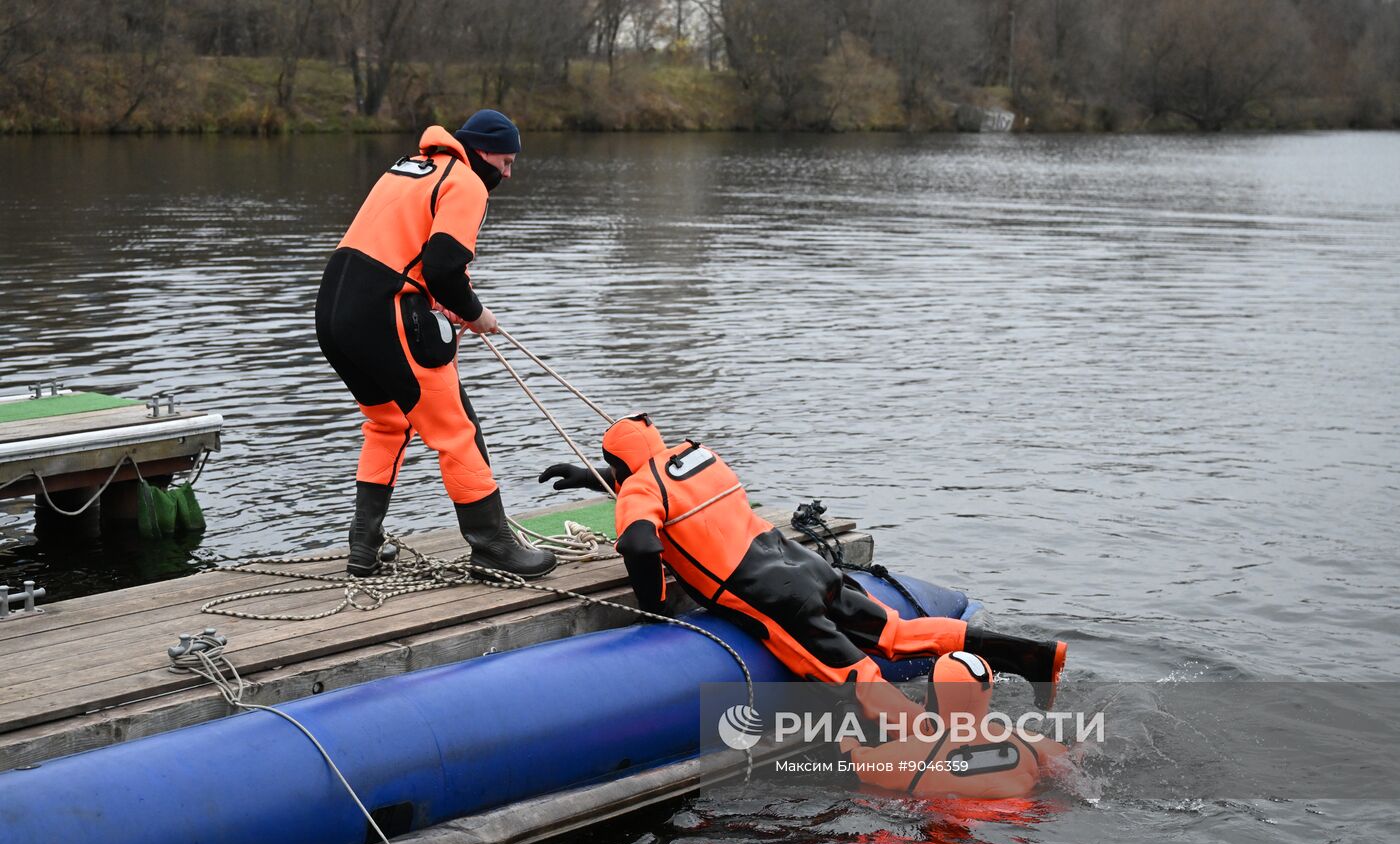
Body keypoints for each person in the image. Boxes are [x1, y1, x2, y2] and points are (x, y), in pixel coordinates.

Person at [539, 414, 1067, 727]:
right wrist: (591, 478)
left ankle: (926, 744)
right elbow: (655, 477)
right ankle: (1033, 654)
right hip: (805, 565)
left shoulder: (636, 491)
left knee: (850, 672)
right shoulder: (701, 455)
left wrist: (655, 607)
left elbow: (637, 541)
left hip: (767, 595)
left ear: (621, 467)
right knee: (897, 633)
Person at [316, 109, 555, 579]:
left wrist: (437, 297)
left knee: (386, 424)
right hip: (386, 313)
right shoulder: (466, 182)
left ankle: (363, 548)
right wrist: (475, 313)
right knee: (456, 428)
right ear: (481, 152)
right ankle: (493, 547)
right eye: (505, 162)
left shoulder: (409, 166)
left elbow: (404, 249)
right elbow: (445, 269)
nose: (507, 174)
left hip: (333, 313)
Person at [840, 651, 1068, 799]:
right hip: (1019, 824)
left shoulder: (914, 755)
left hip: (946, 838)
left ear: (935, 694)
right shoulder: (1026, 741)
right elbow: (1070, 759)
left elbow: (849, 761)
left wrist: (847, 710)